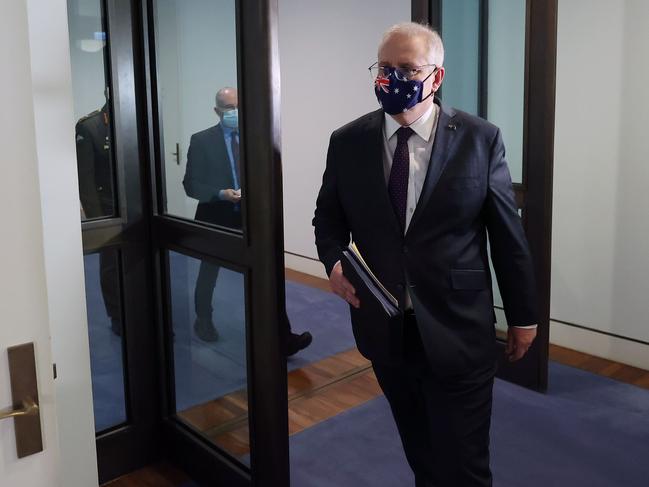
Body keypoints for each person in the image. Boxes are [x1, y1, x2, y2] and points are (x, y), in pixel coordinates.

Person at [313, 23, 538, 486]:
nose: (393, 79)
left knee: (465, 465)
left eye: (408, 69)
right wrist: (334, 262)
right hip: (386, 330)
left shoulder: (480, 138)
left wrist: (523, 315)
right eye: (386, 68)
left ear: (435, 77)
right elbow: (328, 221)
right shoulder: (348, 141)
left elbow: (506, 234)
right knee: (421, 453)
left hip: (459, 328)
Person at [183, 87, 312, 356]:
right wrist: (221, 193)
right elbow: (191, 184)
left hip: (251, 218)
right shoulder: (201, 140)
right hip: (215, 217)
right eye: (228, 108)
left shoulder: (257, 137)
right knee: (209, 273)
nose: (235, 113)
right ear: (217, 111)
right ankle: (203, 320)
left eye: (238, 106)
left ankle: (282, 338)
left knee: (267, 274)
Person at [75, 92, 121, 336]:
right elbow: (86, 179)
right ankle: (116, 315)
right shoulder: (89, 126)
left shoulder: (134, 118)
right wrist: (96, 220)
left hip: (136, 204)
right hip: (107, 207)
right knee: (112, 265)